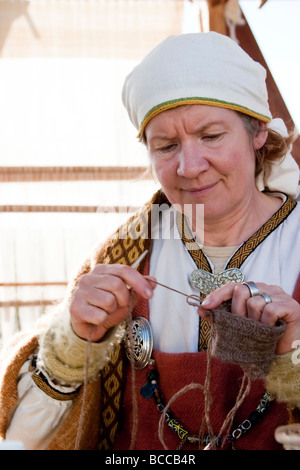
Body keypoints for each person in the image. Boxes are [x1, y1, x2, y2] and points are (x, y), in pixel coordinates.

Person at [1, 32, 300, 451]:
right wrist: (74, 342)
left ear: (258, 134)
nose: (190, 166)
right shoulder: (125, 253)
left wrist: (294, 356)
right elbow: (21, 435)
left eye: (211, 136)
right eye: (166, 145)